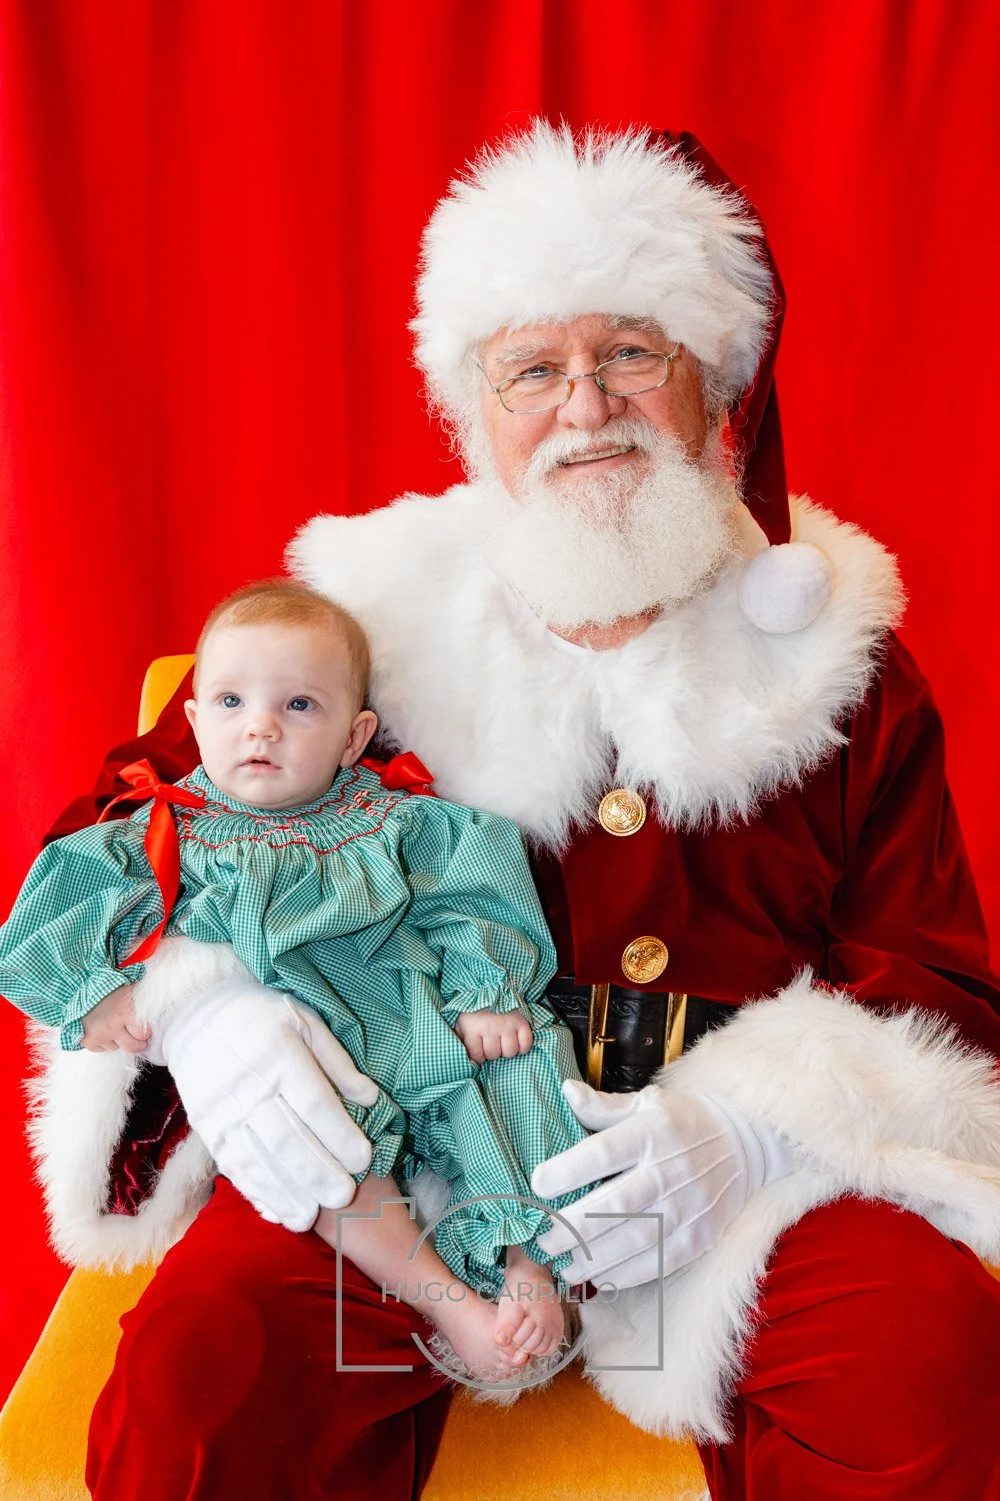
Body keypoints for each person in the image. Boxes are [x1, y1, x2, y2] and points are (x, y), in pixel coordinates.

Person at [28, 122, 1000, 1498]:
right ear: (472, 408)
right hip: (408, 1160)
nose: (585, 406)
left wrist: (753, 1128)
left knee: (925, 1362)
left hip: (741, 1195)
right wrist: (207, 1010)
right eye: (533, 367)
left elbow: (935, 978)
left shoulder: (841, 659)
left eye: (630, 353)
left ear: (712, 380)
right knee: (210, 1366)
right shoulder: (364, 620)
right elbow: (112, 843)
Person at [2, 577, 588, 1382]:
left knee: (518, 1068)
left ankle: (531, 1270)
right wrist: (92, 993)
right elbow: (50, 907)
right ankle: (452, 1302)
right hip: (310, 1058)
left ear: (355, 737)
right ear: (195, 719)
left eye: (300, 706)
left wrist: (485, 989)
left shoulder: (394, 816)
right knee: (322, 1156)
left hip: (420, 1029)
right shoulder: (168, 830)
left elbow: (475, 884)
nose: (262, 727)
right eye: (233, 701)